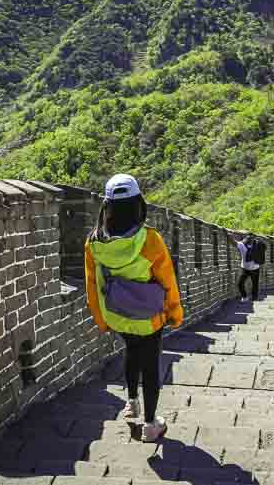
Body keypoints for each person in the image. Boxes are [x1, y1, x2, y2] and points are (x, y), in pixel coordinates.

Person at [85, 174, 183, 443]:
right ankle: (151, 425)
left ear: (107, 207)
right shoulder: (149, 240)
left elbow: (93, 286)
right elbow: (167, 281)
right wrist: (175, 313)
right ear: (139, 203)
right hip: (149, 318)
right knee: (150, 365)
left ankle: (131, 402)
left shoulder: (94, 243)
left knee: (130, 350)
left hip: (118, 316)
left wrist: (101, 320)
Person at [230, 231, 264, 302]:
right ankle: (244, 296)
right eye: (249, 238)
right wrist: (229, 237)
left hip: (255, 268)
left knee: (255, 285)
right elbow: (234, 243)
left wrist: (261, 241)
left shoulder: (257, 245)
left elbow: (264, 248)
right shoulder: (242, 245)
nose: (250, 239)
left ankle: (255, 298)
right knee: (240, 283)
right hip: (245, 269)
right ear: (246, 238)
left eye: (251, 238)